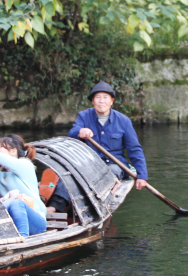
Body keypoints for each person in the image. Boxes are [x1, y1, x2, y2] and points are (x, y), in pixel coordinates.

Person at [48, 81, 149, 213]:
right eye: (98, 97)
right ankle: (55, 206)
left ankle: (89, 207)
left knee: (108, 174)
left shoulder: (123, 121)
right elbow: (71, 134)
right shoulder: (84, 116)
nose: (101, 101)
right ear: (93, 101)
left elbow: (134, 149)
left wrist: (142, 175)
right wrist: (80, 132)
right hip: (88, 163)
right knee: (70, 173)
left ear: (111, 101)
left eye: (105, 97)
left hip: (114, 165)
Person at [0, 135, 48, 237]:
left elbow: (6, 161)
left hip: (36, 222)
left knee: (17, 203)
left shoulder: (25, 165)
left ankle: (22, 240)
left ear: (13, 151)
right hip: (11, 223)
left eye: (0, 147)